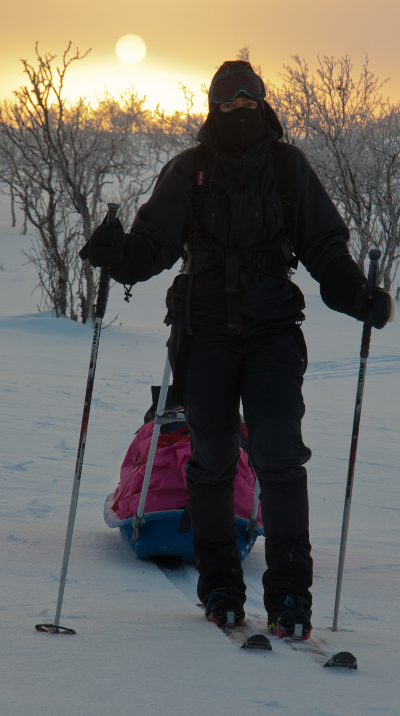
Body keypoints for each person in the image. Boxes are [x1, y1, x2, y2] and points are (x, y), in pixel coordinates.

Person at [87, 60, 392, 640]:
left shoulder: (287, 168)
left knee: (279, 455)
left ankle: (289, 598)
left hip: (273, 328)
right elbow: (153, 245)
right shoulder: (189, 170)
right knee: (214, 457)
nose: (238, 114)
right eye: (227, 106)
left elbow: (324, 246)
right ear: (213, 109)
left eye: (248, 105)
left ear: (264, 106)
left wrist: (358, 295)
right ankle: (222, 587)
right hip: (203, 332)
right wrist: (117, 254)